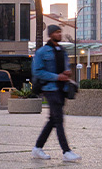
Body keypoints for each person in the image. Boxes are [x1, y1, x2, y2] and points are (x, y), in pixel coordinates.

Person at [30, 24, 80, 161]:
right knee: (58, 119)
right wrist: (57, 77)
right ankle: (66, 151)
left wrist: (66, 72)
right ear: (50, 34)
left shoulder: (62, 51)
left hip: (61, 89)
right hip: (49, 89)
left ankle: (37, 148)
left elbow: (65, 67)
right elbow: (37, 72)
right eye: (57, 32)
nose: (59, 34)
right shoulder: (42, 52)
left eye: (60, 32)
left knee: (53, 120)